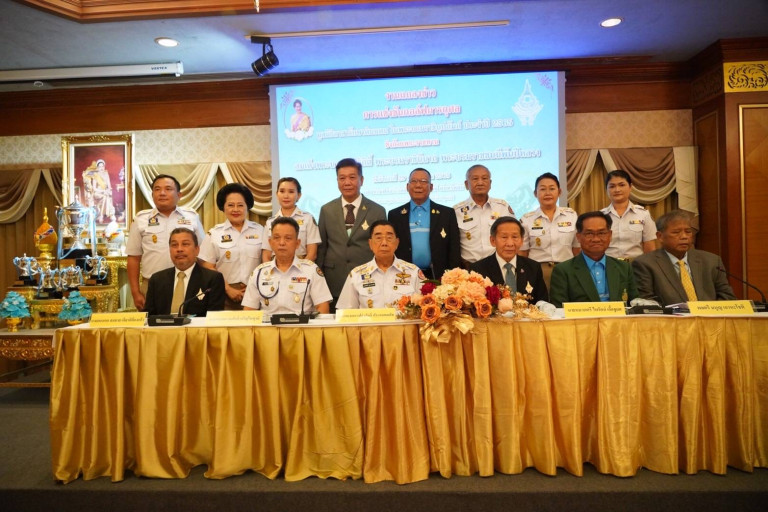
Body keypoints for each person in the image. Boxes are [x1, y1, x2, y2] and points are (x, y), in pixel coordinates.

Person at [126, 174, 206, 311]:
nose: (162, 193)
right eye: (157, 189)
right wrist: (135, 292)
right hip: (152, 285)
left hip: (187, 282)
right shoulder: (141, 219)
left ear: (179, 195)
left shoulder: (191, 217)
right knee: (152, 323)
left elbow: (203, 254)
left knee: (190, 321)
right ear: (152, 195)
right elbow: (133, 257)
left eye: (168, 189)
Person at [317, 158, 387, 307]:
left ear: (362, 180)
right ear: (337, 181)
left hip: (367, 282)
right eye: (342, 178)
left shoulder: (377, 211)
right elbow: (321, 248)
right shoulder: (327, 210)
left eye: (352, 177)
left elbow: (382, 248)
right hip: (334, 280)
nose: (347, 182)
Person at [632, 210, 736, 305]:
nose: (684, 236)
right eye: (676, 232)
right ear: (660, 236)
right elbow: (647, 303)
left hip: (710, 317)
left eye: (688, 231)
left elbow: (727, 297)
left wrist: (709, 312)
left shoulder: (711, 261)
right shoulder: (645, 264)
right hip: (671, 318)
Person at [242, 217, 332, 314]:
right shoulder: (259, 273)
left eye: (288, 238)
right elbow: (249, 311)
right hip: (268, 324)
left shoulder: (311, 271)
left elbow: (322, 307)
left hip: (302, 323)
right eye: (277, 238)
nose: (282, 243)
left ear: (297, 243)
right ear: (270, 243)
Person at [550, 211, 638, 307]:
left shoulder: (624, 268)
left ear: (610, 235)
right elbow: (559, 309)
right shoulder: (563, 271)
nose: (596, 239)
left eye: (601, 233)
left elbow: (635, 303)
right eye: (589, 234)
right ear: (578, 237)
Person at [199, 183, 264, 310]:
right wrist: (228, 288)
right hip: (224, 294)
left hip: (256, 292)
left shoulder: (260, 231)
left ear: (247, 207)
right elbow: (208, 266)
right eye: (230, 205)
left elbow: (266, 262)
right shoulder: (214, 233)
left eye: (240, 205)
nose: (235, 209)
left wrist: (255, 287)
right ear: (223, 207)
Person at [388, 168, 461, 280]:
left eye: (423, 181)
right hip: (404, 276)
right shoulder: (395, 215)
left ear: (431, 187)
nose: (418, 185)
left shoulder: (447, 213)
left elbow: (454, 249)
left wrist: (453, 277)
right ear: (407, 187)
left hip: (439, 276)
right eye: (414, 181)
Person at [336, 220, 424, 309]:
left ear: (397, 243)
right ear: (370, 243)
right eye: (378, 238)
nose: (384, 243)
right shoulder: (356, 275)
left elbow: (427, 307)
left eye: (389, 237)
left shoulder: (413, 272)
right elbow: (345, 312)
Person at [144, 228, 225, 316]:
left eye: (185, 244)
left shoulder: (212, 279)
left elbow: (214, 318)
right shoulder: (157, 280)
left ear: (197, 250)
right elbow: (148, 316)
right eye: (174, 245)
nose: (179, 249)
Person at [519, 172, 580, 288]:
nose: (547, 193)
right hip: (537, 271)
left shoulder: (571, 216)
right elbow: (523, 253)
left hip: (567, 269)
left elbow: (577, 249)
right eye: (542, 189)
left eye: (552, 189)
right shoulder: (527, 219)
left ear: (559, 192)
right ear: (535, 193)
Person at [469, 216, 549, 305]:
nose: (510, 243)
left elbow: (542, 302)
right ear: (493, 240)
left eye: (515, 237)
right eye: (504, 237)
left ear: (522, 241)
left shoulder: (533, 268)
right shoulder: (478, 270)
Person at [453, 164, 516, 266]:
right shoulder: (456, 211)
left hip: (499, 266)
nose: (480, 182)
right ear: (466, 184)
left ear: (490, 183)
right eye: (475, 179)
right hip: (468, 267)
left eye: (484, 178)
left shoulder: (502, 207)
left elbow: (514, 236)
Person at [601, 170, 656, 259]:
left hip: (635, 265)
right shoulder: (600, 216)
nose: (617, 190)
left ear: (630, 187)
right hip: (608, 265)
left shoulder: (643, 215)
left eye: (622, 185)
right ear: (606, 189)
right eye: (612, 186)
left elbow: (650, 248)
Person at [262, 177, 320, 262]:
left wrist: (300, 268)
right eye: (282, 191)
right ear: (277, 194)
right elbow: (266, 255)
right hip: (276, 267)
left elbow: (312, 253)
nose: (286, 196)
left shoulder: (308, 219)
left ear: (299, 195)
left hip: (302, 266)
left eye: (291, 192)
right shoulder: (270, 222)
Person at [82, 159, 115, 223]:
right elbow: (94, 188)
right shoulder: (96, 175)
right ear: (97, 167)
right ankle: (103, 215)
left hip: (105, 192)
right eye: (100, 167)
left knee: (106, 196)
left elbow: (109, 186)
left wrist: (108, 191)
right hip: (97, 193)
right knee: (105, 196)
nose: (101, 168)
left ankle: (104, 214)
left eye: (102, 166)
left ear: (104, 167)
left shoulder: (106, 174)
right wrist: (103, 191)